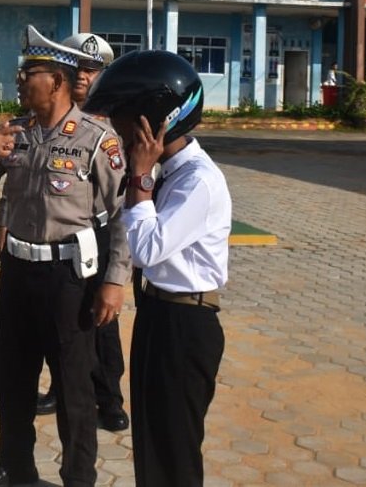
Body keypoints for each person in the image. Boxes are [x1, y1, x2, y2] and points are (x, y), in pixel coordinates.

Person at [0, 26, 129, 487]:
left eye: (28, 72)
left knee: (75, 397)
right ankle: (19, 475)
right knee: (11, 386)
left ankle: (78, 480)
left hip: (68, 282)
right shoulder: (14, 132)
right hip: (16, 276)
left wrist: (115, 282)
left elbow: (123, 216)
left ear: (56, 79)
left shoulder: (98, 139)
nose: (19, 80)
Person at [83, 49, 230, 487]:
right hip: (159, 315)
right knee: (151, 436)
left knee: (174, 445)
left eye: (123, 119)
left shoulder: (197, 181)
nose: (116, 129)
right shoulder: (171, 171)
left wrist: (140, 178)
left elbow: (146, 250)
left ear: (154, 120)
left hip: (186, 325)